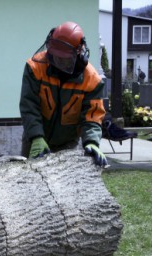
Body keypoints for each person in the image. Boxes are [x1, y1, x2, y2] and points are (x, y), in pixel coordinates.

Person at [19, 21, 108, 167]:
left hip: (67, 142)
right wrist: (36, 136)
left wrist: (92, 142)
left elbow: (92, 116)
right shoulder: (35, 68)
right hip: (34, 138)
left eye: (63, 58)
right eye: (55, 56)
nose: (58, 60)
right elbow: (29, 106)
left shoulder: (91, 80)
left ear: (78, 52)